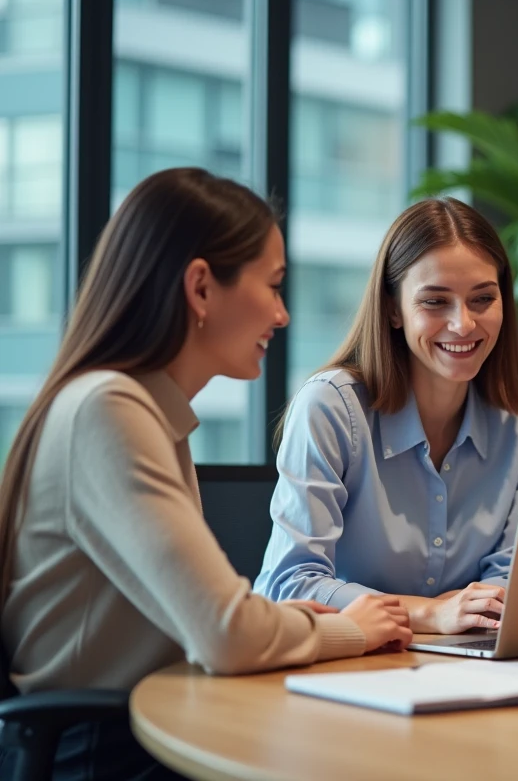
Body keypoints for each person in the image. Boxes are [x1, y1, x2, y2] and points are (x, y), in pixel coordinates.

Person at [0, 168, 413, 780]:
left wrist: (289, 623)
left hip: (152, 724)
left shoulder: (142, 411)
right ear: (200, 287)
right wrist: (349, 631)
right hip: (105, 751)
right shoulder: (107, 412)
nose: (283, 314)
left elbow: (215, 617)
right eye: (272, 285)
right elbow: (226, 634)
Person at [254, 197, 518, 635]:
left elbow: (511, 578)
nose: (464, 324)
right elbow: (290, 585)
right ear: (393, 309)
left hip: (470, 666)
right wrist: (429, 613)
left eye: (482, 299)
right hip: (342, 666)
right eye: (435, 302)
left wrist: (477, 610)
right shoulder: (331, 407)